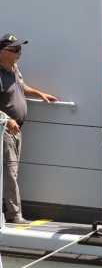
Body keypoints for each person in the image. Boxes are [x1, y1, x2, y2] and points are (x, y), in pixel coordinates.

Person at [0, 34, 58, 224]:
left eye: (20, 49)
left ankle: (10, 210)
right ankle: (14, 215)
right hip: (4, 129)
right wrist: (7, 119)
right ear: (2, 52)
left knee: (11, 170)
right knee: (10, 172)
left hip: (17, 128)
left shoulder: (14, 68)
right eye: (15, 50)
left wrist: (40, 93)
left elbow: (21, 87)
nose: (20, 53)